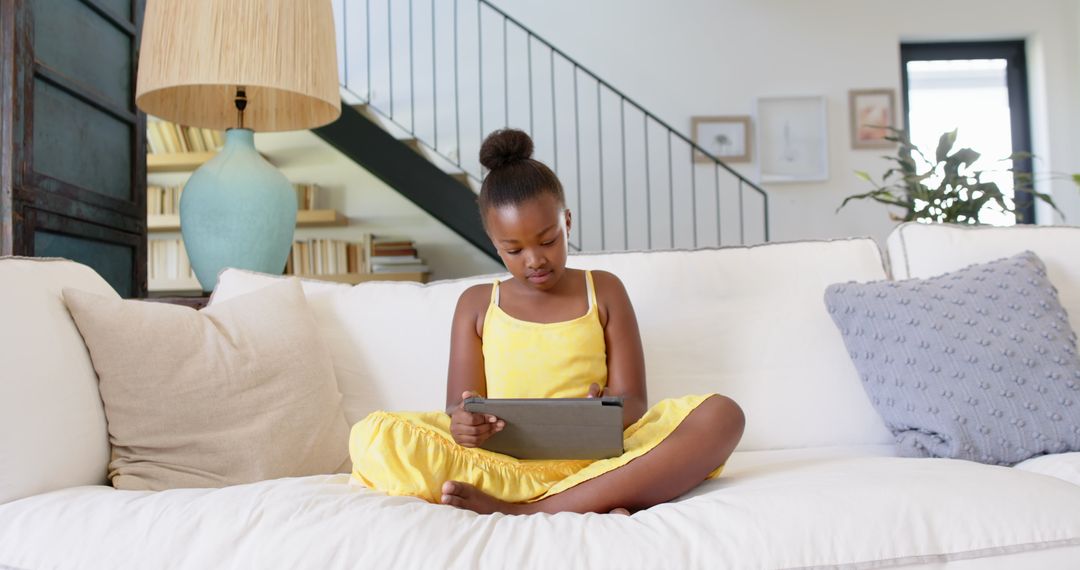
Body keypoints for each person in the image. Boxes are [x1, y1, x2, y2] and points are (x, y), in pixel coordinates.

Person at [349, 129, 745, 515]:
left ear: (567, 223)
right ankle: (588, 503)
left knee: (722, 416)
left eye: (548, 240)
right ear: (494, 242)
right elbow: (458, 405)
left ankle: (534, 508)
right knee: (374, 436)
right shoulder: (476, 304)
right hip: (504, 467)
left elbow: (635, 402)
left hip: (597, 462)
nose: (534, 260)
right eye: (514, 249)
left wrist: (603, 409)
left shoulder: (604, 290)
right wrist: (464, 425)